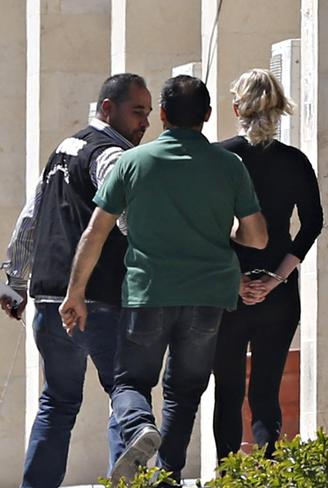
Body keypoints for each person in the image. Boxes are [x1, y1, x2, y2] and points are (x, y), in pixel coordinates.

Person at [59, 75, 267, 485]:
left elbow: (96, 232)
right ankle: (167, 475)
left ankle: (137, 425)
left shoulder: (134, 162)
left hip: (149, 292)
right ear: (207, 116)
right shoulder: (230, 166)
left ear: (164, 116)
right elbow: (257, 237)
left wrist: (75, 291)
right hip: (209, 296)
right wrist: (225, 234)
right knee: (185, 391)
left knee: (131, 381)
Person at [0, 73, 151, 488]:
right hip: (97, 298)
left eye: (149, 114)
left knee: (57, 402)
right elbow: (126, 215)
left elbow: (31, 216)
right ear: (108, 108)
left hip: (48, 296)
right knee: (126, 394)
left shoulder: (63, 151)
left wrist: (13, 281)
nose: (145, 123)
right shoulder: (112, 155)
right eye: (137, 112)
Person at [212, 69, 323, 460]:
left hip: (227, 289)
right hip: (279, 289)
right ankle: (269, 468)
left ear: (236, 107)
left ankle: (227, 474)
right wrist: (276, 279)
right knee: (265, 390)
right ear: (279, 109)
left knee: (227, 389)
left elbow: (206, 227)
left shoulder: (219, 157)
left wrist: (234, 279)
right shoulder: (295, 161)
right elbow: (313, 224)